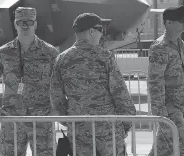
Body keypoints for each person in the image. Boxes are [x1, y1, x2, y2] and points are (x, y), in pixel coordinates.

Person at [50, 13, 136, 156]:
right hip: (108, 129)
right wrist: (126, 123)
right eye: (100, 30)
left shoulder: (62, 59)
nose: (102, 35)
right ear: (91, 31)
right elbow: (120, 93)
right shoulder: (105, 57)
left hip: (79, 130)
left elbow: (56, 96)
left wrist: (69, 121)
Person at [0, 7, 59, 156]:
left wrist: (55, 107)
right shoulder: (4, 52)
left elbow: (59, 82)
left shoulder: (49, 52)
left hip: (42, 118)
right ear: (15, 24)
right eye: (20, 22)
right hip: (12, 119)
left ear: (35, 24)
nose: (25, 26)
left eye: (29, 22)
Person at [147, 5, 184, 156]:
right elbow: (154, 81)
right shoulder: (160, 47)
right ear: (169, 23)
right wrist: (161, 115)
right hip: (169, 110)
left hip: (180, 109)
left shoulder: (181, 45)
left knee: (162, 150)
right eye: (181, 20)